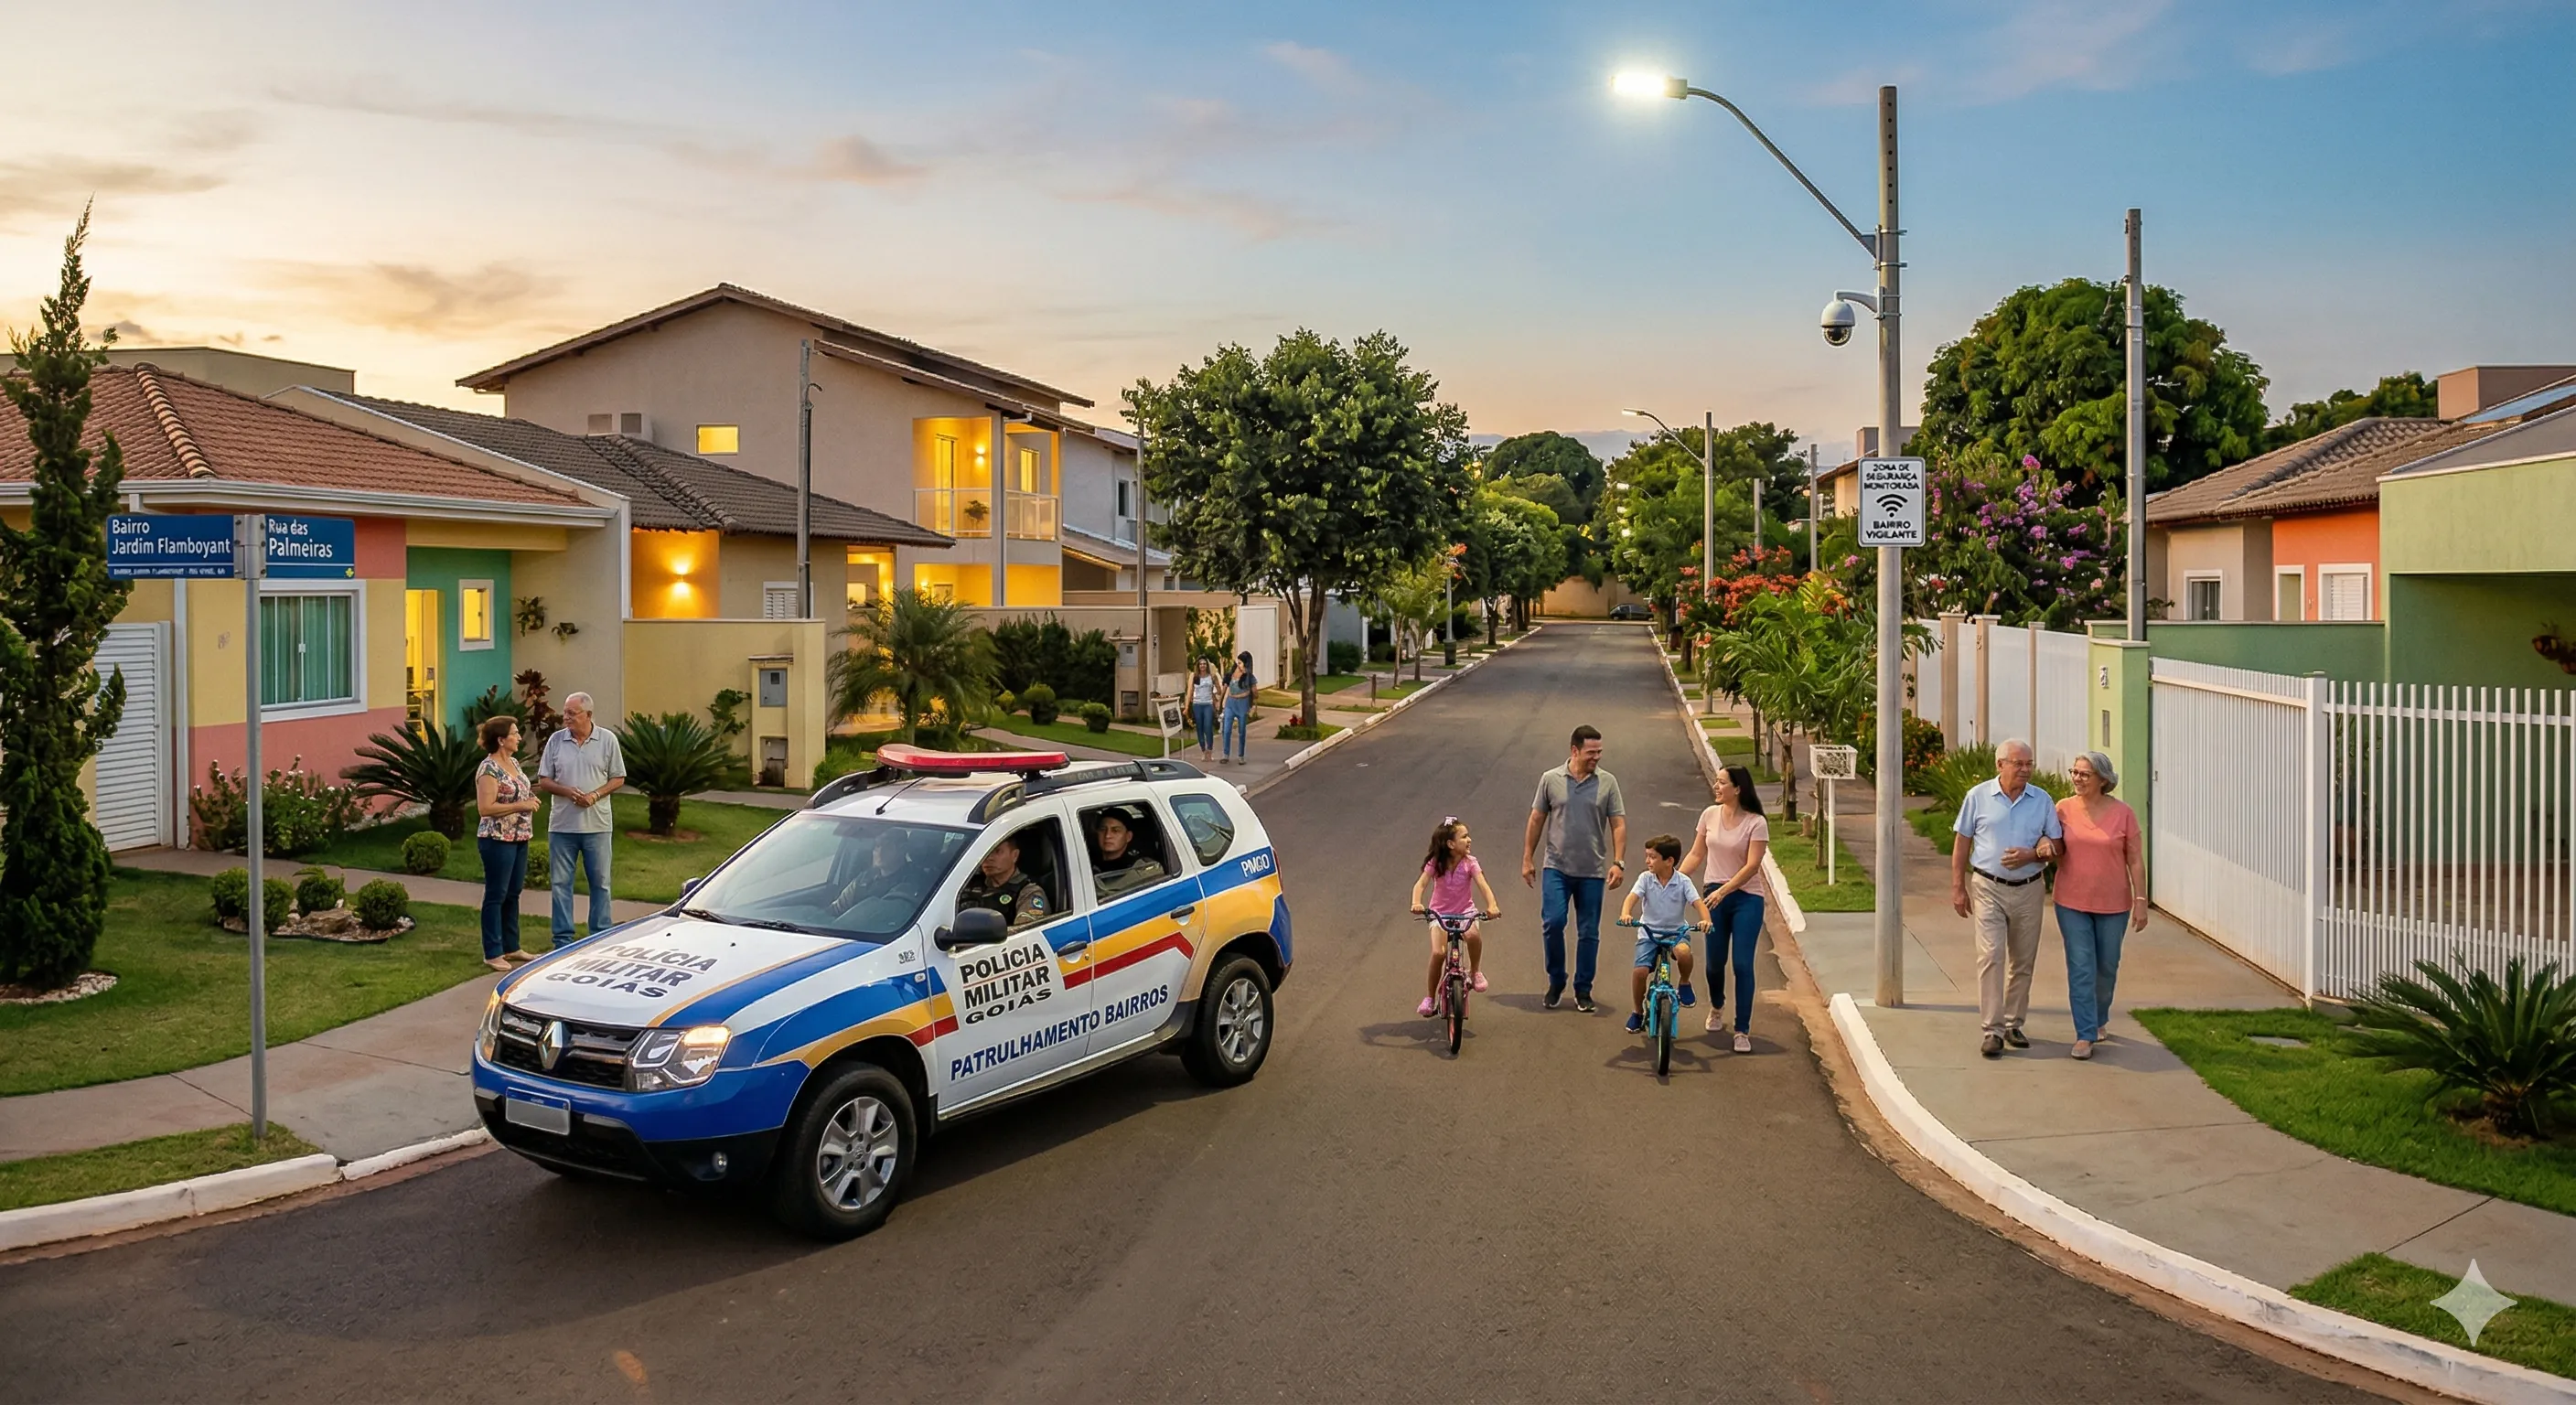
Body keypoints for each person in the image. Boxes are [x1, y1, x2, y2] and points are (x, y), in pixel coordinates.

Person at [1949, 738, 2064, 1058]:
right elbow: (1962, 842)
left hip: (2029, 888)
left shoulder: (2042, 800)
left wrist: (2034, 853)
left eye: (2029, 764)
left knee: (2023, 960)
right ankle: (1993, 1030)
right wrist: (1958, 886)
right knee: (1991, 955)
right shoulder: (1978, 797)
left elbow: (2057, 845)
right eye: (2018, 764)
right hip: (1988, 887)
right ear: (2000, 765)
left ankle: (2014, 1023)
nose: (2025, 770)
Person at [1520, 724, 1627, 1013]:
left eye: (1599, 752)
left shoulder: (1608, 782)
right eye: (1591, 752)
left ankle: (1583, 989)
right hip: (1556, 867)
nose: (1597, 757)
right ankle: (1556, 981)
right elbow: (1536, 819)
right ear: (1574, 750)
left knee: (1589, 932)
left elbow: (1618, 824)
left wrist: (1618, 862)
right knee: (1553, 923)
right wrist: (1528, 858)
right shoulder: (1551, 779)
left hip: (1592, 871)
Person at [2055, 750, 2145, 1061]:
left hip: (2114, 904)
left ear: (2103, 780)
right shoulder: (2063, 809)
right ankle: (2085, 1034)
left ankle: (2098, 1017)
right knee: (2081, 967)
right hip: (2071, 901)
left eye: (2084, 774)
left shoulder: (2123, 813)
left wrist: (2141, 901)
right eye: (2074, 772)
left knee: (2106, 968)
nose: (2077, 778)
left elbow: (2135, 860)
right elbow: (2050, 842)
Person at [1680, 764, 1768, 1052]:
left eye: (1722, 783)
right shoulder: (1709, 815)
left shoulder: (1756, 822)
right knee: (1714, 963)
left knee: (1742, 964)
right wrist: (1674, 881)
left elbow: (1752, 866)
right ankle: (1717, 1006)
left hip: (1747, 898)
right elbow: (1696, 853)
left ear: (1738, 789)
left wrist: (1724, 890)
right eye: (1716, 782)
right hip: (1714, 896)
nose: (1716, 787)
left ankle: (1742, 1030)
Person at [537, 692, 627, 947]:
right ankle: (562, 940)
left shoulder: (607, 740)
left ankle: (599, 935)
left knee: (600, 883)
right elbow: (544, 780)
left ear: (588, 715)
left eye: (571, 713)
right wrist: (567, 791)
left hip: (597, 826)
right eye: (565, 712)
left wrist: (595, 795)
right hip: (562, 826)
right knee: (560, 884)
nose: (565, 717)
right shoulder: (556, 741)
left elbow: (618, 778)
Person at [1410, 816, 1499, 1016]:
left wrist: (1492, 906)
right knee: (1438, 953)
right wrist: (1416, 902)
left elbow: (1483, 886)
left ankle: (1475, 971)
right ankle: (1430, 997)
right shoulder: (1436, 863)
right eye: (1464, 837)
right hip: (1439, 914)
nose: (1469, 840)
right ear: (1451, 844)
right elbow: (1421, 884)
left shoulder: (1470, 863)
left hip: (1465, 913)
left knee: (1473, 936)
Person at [473, 715, 542, 971]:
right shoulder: (488, 769)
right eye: (515, 733)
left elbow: (519, 791)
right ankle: (493, 952)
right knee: (496, 895)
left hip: (520, 837)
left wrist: (531, 798)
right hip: (497, 839)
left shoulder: (513, 762)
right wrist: (522, 805)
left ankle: (512, 947)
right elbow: (485, 808)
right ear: (501, 740)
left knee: (513, 893)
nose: (519, 737)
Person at [1620, 833, 1707, 1035]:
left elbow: (1698, 903)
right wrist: (1626, 914)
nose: (1647, 861)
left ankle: (1684, 982)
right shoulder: (1645, 878)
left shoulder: (1683, 881)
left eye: (1652, 857)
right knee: (1640, 972)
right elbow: (1631, 898)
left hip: (1676, 933)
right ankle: (1637, 1011)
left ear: (1669, 861)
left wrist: (1706, 920)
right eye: (1647, 856)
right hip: (1650, 933)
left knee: (1684, 953)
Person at [959, 833, 1049, 930]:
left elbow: (1024, 933)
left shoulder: (1028, 892)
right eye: (986, 852)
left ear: (1015, 855)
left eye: (997, 851)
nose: (989, 858)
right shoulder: (965, 884)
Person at [1088, 809, 1167, 898]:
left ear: (1128, 836)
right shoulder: (1086, 860)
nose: (1107, 835)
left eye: (1115, 830)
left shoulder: (1143, 869)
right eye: (1103, 829)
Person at [1218, 650, 1257, 766]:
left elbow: (1255, 693)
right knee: (1226, 730)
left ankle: (1241, 756)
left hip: (1242, 706)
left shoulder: (1249, 676)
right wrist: (1220, 703)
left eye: (1240, 663)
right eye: (1238, 662)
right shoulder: (1231, 673)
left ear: (1246, 664)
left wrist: (1252, 693)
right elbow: (1225, 689)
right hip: (1230, 704)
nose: (1238, 665)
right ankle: (1225, 755)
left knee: (1242, 731)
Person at [1188, 659, 1218, 762]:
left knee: (1208, 726)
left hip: (1208, 704)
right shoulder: (1195, 677)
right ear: (1198, 666)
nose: (1202, 666)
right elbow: (1190, 691)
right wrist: (1187, 706)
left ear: (1207, 665)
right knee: (1199, 728)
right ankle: (1203, 750)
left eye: (1204, 664)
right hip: (1197, 704)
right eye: (1200, 664)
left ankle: (1209, 750)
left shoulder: (1212, 677)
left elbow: (1219, 690)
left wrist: (1215, 693)